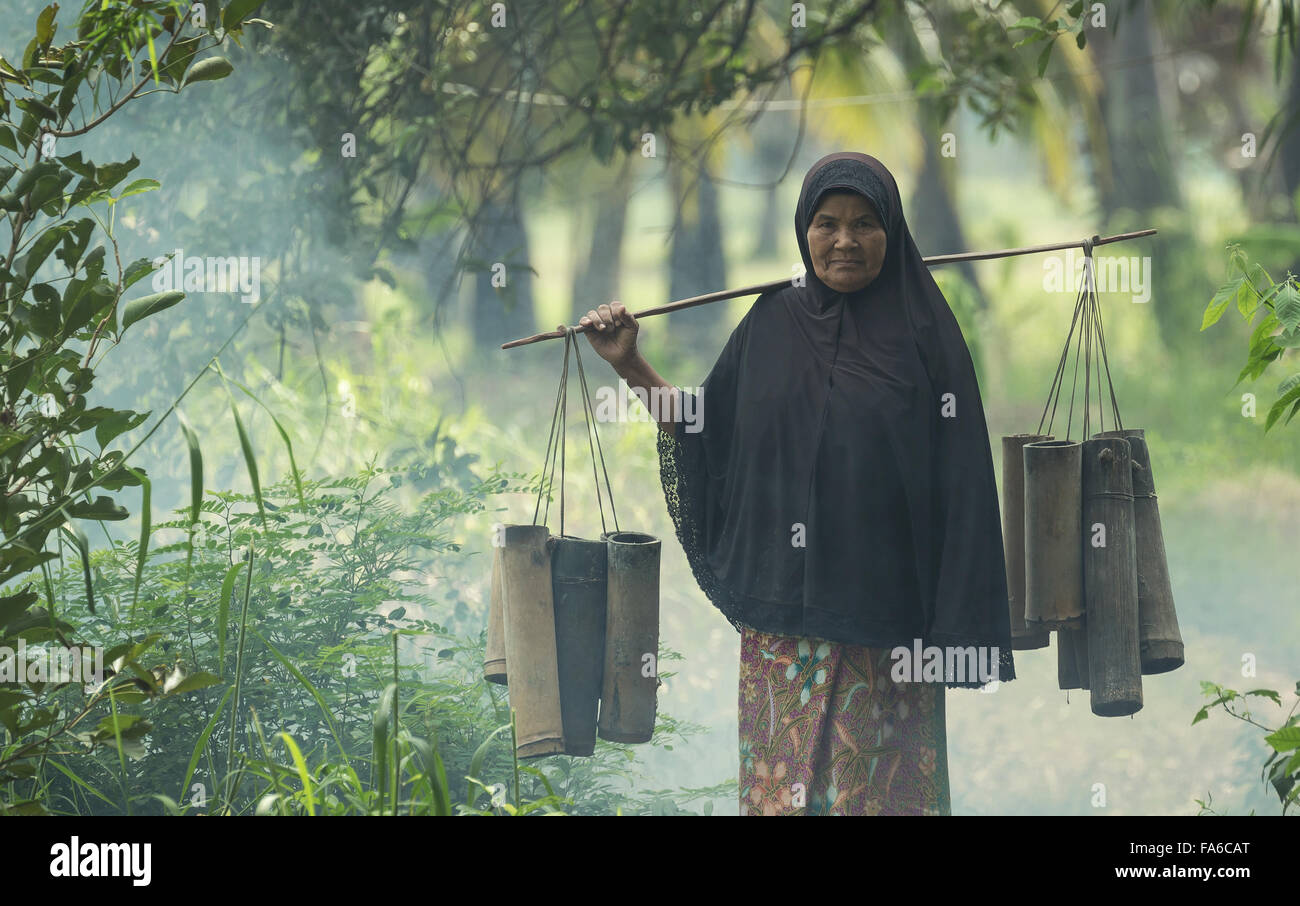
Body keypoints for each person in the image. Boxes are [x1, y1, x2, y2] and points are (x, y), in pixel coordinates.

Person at [580, 151, 1015, 816]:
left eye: (866, 223)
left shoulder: (926, 336)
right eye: (827, 223)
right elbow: (704, 431)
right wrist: (631, 364)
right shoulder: (771, 322)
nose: (845, 240)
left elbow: (964, 490)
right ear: (802, 230)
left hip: (889, 638)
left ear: (891, 233)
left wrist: (958, 630)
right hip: (783, 634)